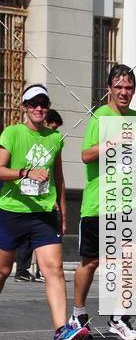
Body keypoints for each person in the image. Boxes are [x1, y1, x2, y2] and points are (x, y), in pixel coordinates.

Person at [0, 85, 88, 340]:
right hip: (12, 212)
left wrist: (62, 210)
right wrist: (25, 173)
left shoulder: (54, 138)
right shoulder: (13, 133)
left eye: (43, 103)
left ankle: (61, 331)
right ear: (24, 107)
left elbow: (59, 179)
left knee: (54, 270)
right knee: (3, 271)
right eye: (33, 103)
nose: (39, 108)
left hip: (44, 214)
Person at [69, 65, 136, 340]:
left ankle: (118, 317)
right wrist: (115, 141)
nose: (124, 92)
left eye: (128, 87)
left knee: (135, 257)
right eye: (118, 87)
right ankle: (78, 313)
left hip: (129, 199)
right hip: (99, 201)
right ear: (109, 89)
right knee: (91, 262)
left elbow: (132, 150)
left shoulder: (134, 117)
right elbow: (85, 155)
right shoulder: (100, 117)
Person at [14, 109, 63, 283]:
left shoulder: (53, 140)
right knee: (24, 240)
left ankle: (35, 270)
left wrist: (56, 200)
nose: (54, 130)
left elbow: (57, 176)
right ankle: (21, 270)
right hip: (22, 199)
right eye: (52, 126)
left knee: (37, 238)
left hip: (44, 200)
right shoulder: (20, 135)